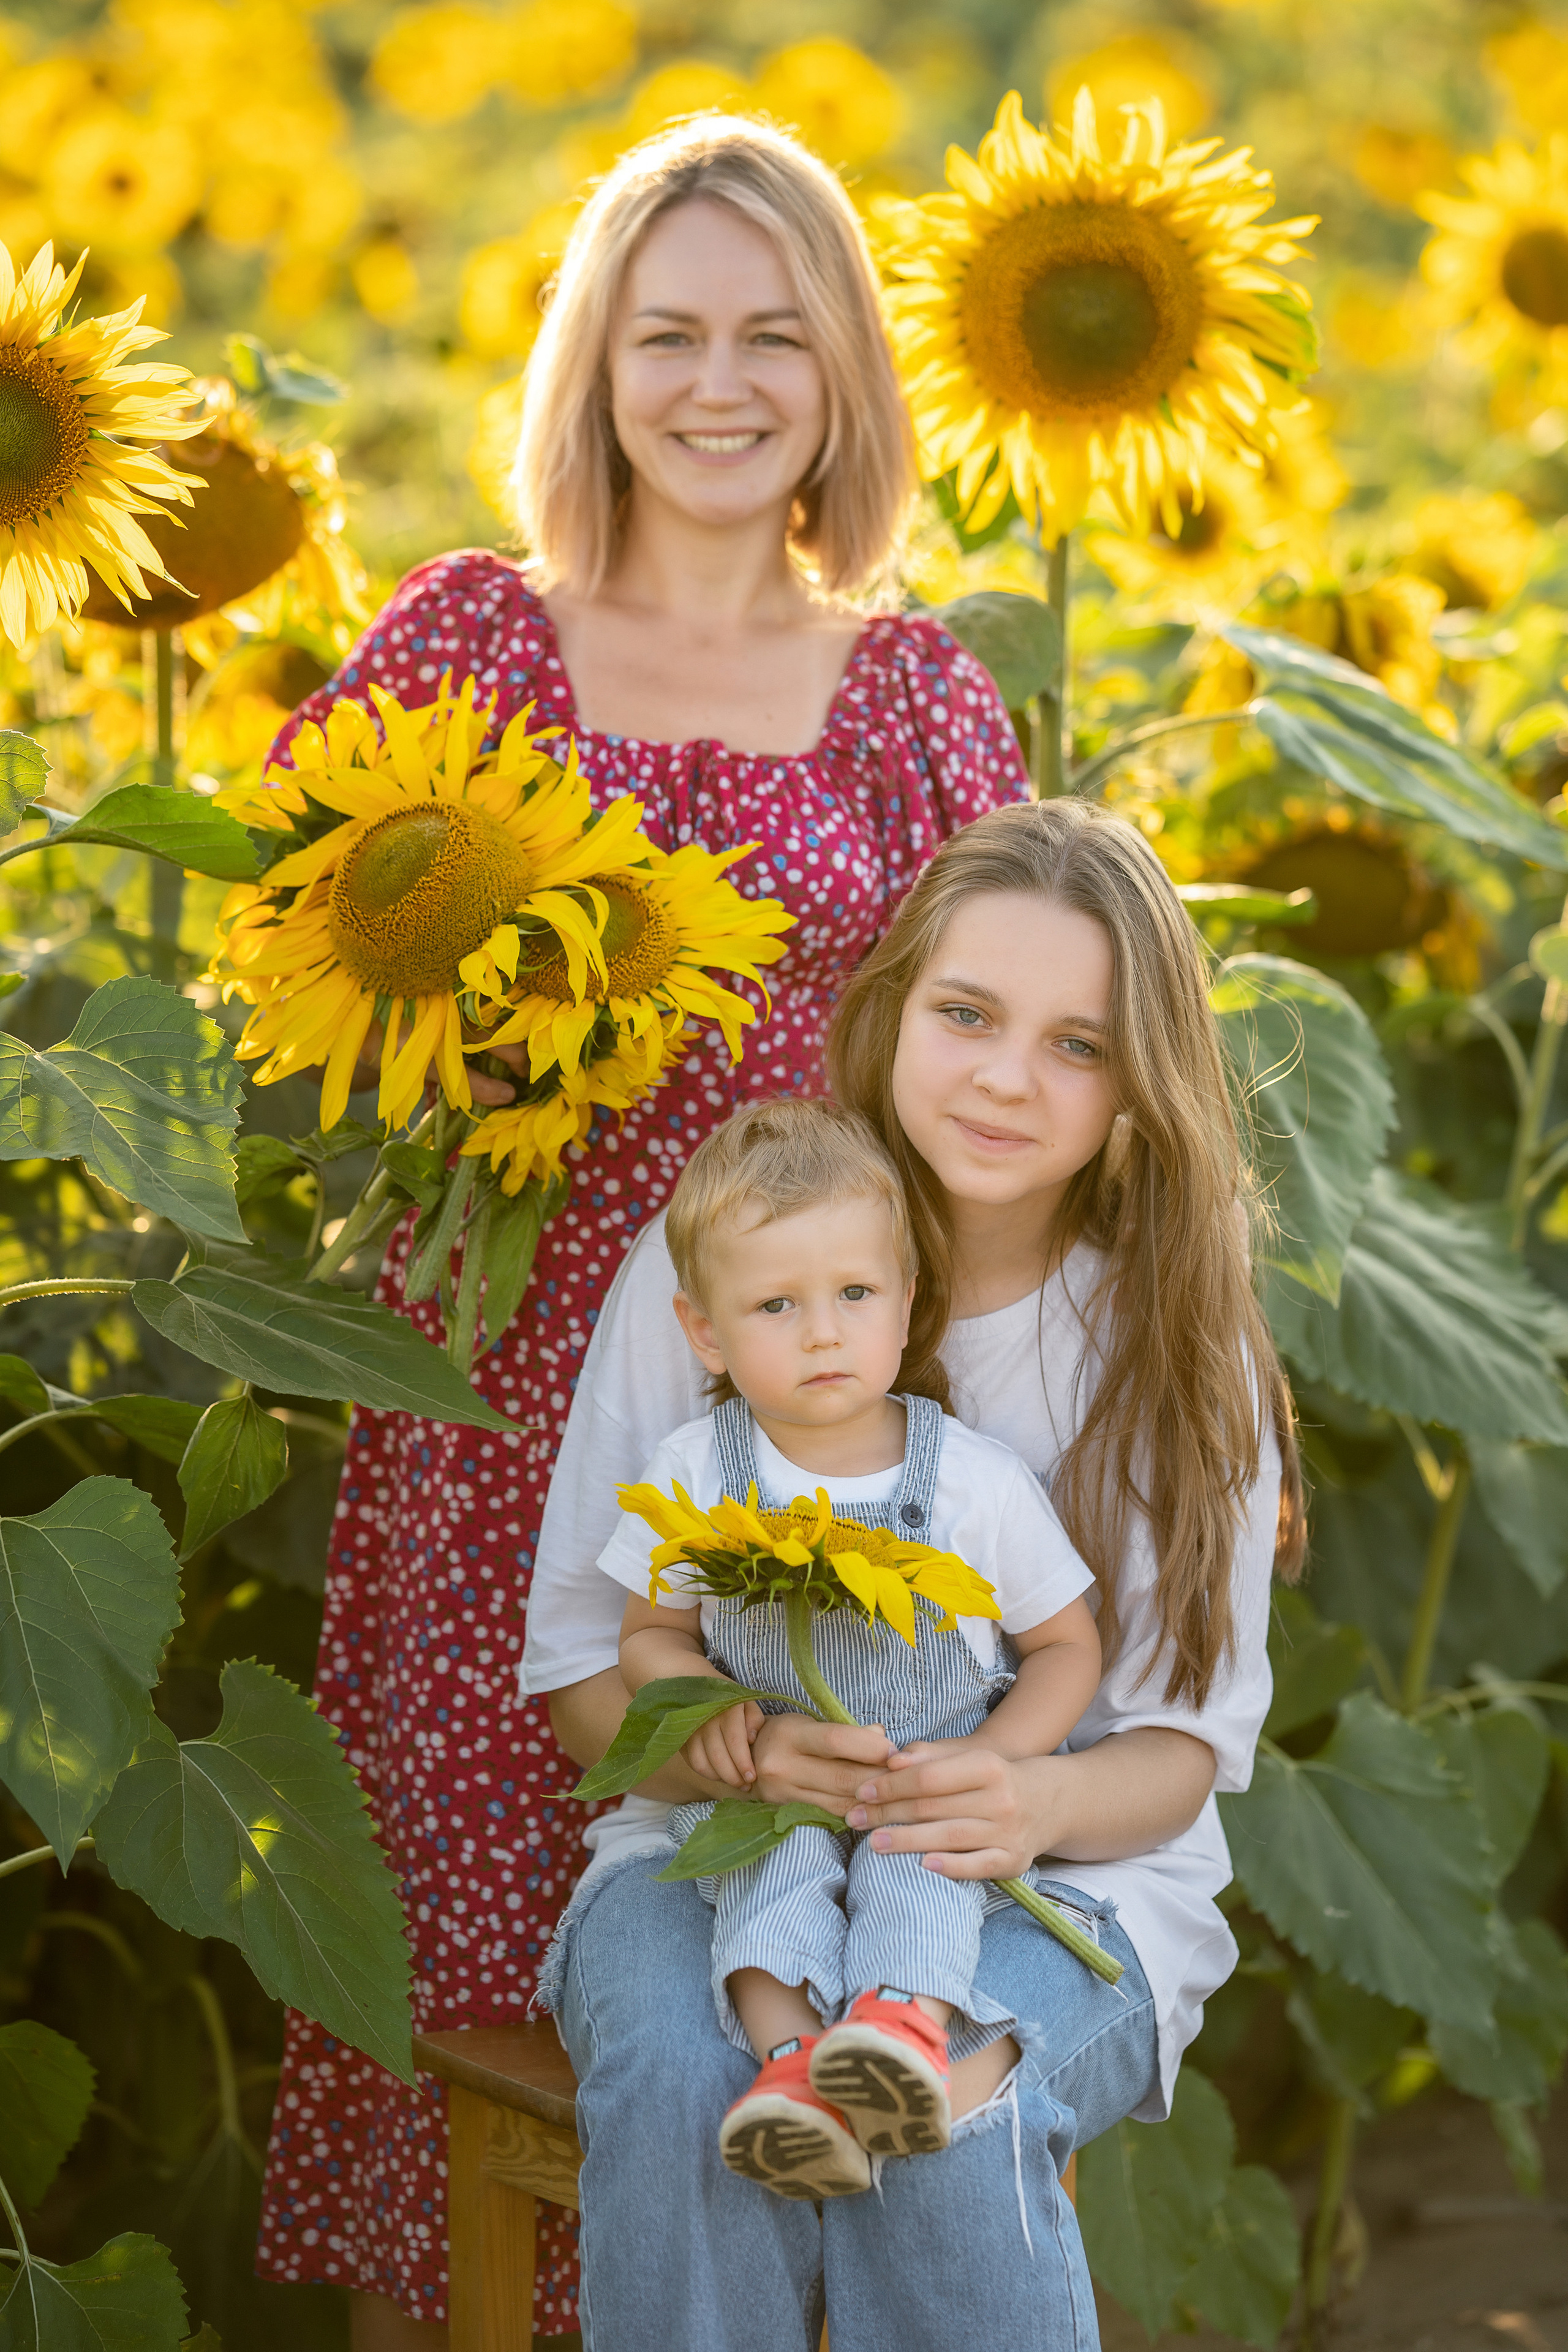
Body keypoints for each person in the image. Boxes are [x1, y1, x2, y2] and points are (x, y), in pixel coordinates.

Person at [253, 113, 1030, 2350]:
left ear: (844, 370)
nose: (719, 383)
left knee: (776, 1957)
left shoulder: (912, 690)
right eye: (667, 332)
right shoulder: (468, 639)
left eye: (774, 335)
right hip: (494, 1426)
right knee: (479, 1984)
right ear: (594, 365)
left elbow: (1024, 1078)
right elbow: (298, 965)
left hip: (805, 1458)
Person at [527, 797, 1305, 2351]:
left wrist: (1028, 1798)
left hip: (1063, 1872)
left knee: (932, 2121)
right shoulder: (726, 1263)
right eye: (965, 1014)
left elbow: (1178, 1750)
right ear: (888, 1007)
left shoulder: (1167, 1338)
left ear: (1138, 1082)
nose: (1007, 1077)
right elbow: (578, 1670)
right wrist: (728, 1745)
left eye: (1077, 1045)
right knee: (692, 2089)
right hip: (719, 1849)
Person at [597, 1098, 1100, 2198]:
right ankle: (792, 2072)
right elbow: (651, 1634)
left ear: (908, 1302)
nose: (822, 1332)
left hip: (922, 1783)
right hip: (773, 1785)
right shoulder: (694, 1473)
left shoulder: (971, 1480)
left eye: (855, 1295)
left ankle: (896, 2034)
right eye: (776, 1304)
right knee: (759, 1868)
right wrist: (704, 1707)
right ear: (704, 1331)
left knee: (923, 1869)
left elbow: (1067, 1645)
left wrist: (996, 1764)